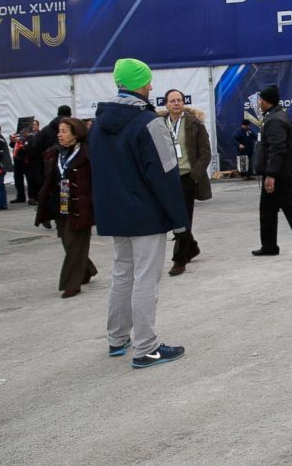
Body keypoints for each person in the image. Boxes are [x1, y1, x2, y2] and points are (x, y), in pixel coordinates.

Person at [90, 58, 188, 368]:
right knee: (146, 278)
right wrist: (179, 219)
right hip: (145, 214)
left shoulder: (99, 124)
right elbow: (165, 174)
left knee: (122, 274)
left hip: (117, 212)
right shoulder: (148, 122)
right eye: (146, 81)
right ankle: (147, 347)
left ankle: (117, 338)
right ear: (137, 84)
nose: (150, 86)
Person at [251, 85, 292, 261]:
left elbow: (277, 149)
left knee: (291, 209)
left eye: (261, 100)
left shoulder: (275, 120)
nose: (259, 102)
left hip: (279, 175)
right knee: (267, 210)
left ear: (267, 101)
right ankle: (269, 245)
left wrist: (271, 175)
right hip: (273, 172)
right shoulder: (273, 116)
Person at [35, 117, 98, 297]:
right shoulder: (55, 154)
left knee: (74, 244)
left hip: (81, 205)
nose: (60, 135)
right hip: (59, 204)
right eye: (59, 131)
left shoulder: (88, 154)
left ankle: (71, 283)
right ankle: (86, 269)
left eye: (64, 131)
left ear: (76, 135)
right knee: (67, 241)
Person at [161, 89, 213, 276]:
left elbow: (205, 152)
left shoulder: (194, 124)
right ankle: (191, 246)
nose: (176, 103)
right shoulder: (159, 124)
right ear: (166, 104)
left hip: (186, 177)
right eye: (172, 100)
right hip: (167, 178)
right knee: (172, 216)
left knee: (183, 218)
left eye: (179, 100)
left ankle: (179, 259)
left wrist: (195, 175)